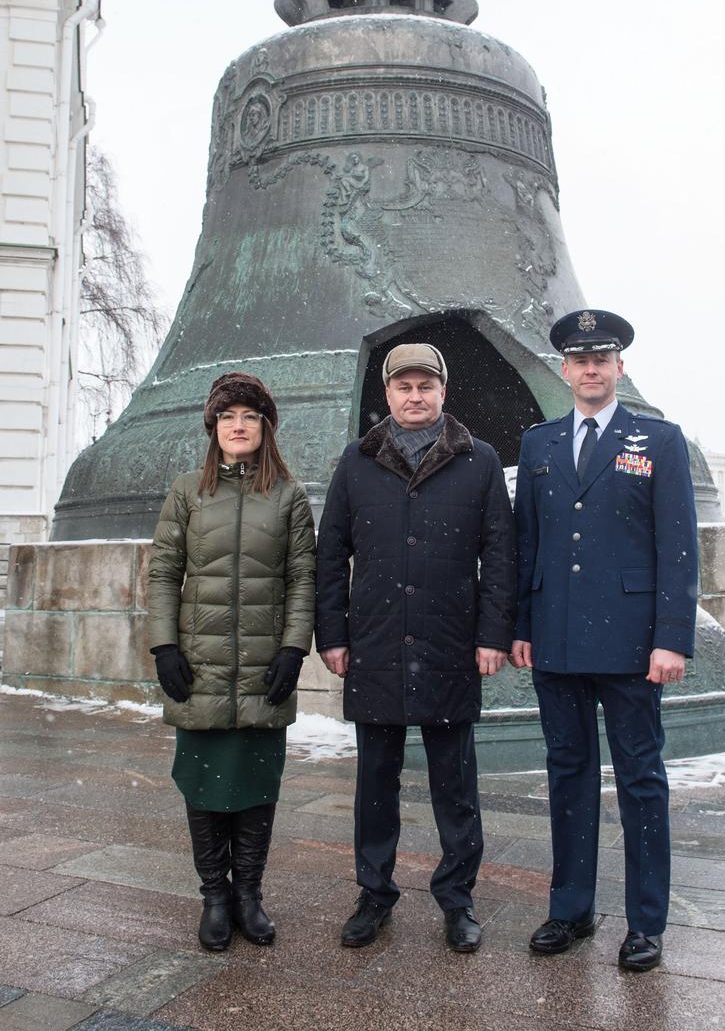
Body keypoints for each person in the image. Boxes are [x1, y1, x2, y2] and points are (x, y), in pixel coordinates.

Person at [511, 309, 698, 972]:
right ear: (564, 369)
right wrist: (521, 626)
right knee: (567, 775)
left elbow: (677, 547)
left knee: (641, 781)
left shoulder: (657, 441)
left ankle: (645, 921)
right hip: (556, 643)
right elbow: (526, 542)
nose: (590, 369)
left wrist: (670, 638)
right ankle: (570, 909)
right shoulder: (538, 445)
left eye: (602, 359)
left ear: (618, 368)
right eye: (579, 360)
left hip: (629, 646)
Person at [315, 342, 516, 953]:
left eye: (425, 384)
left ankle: (457, 900)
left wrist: (491, 636)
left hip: (449, 644)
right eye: (403, 386)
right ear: (388, 394)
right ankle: (374, 895)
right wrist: (334, 635)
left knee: (455, 786)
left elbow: (500, 555)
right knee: (375, 783)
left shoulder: (478, 461)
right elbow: (330, 554)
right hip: (375, 645)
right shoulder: (357, 461)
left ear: (443, 391)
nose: (414, 395)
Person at [147, 372, 315, 952]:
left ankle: (250, 893)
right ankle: (214, 895)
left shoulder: (289, 498)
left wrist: (295, 647)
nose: (237, 426)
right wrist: (164, 645)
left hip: (264, 664)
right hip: (201, 662)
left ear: (265, 427)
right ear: (213, 429)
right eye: (226, 418)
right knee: (203, 783)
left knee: (255, 785)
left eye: (248, 417)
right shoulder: (187, 491)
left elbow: (302, 579)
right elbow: (165, 571)